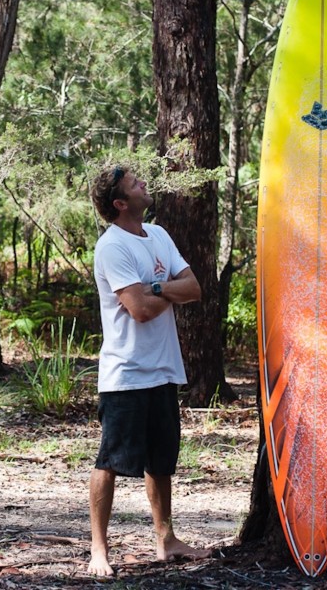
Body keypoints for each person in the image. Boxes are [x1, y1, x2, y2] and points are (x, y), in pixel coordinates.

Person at [87, 165, 211, 577]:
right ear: (120, 203)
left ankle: (167, 541)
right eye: (135, 184)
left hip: (163, 369)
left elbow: (192, 288)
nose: (144, 185)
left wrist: (156, 289)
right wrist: (165, 293)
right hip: (126, 373)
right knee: (111, 460)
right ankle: (98, 550)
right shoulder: (112, 246)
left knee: (161, 461)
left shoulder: (157, 235)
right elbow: (137, 312)